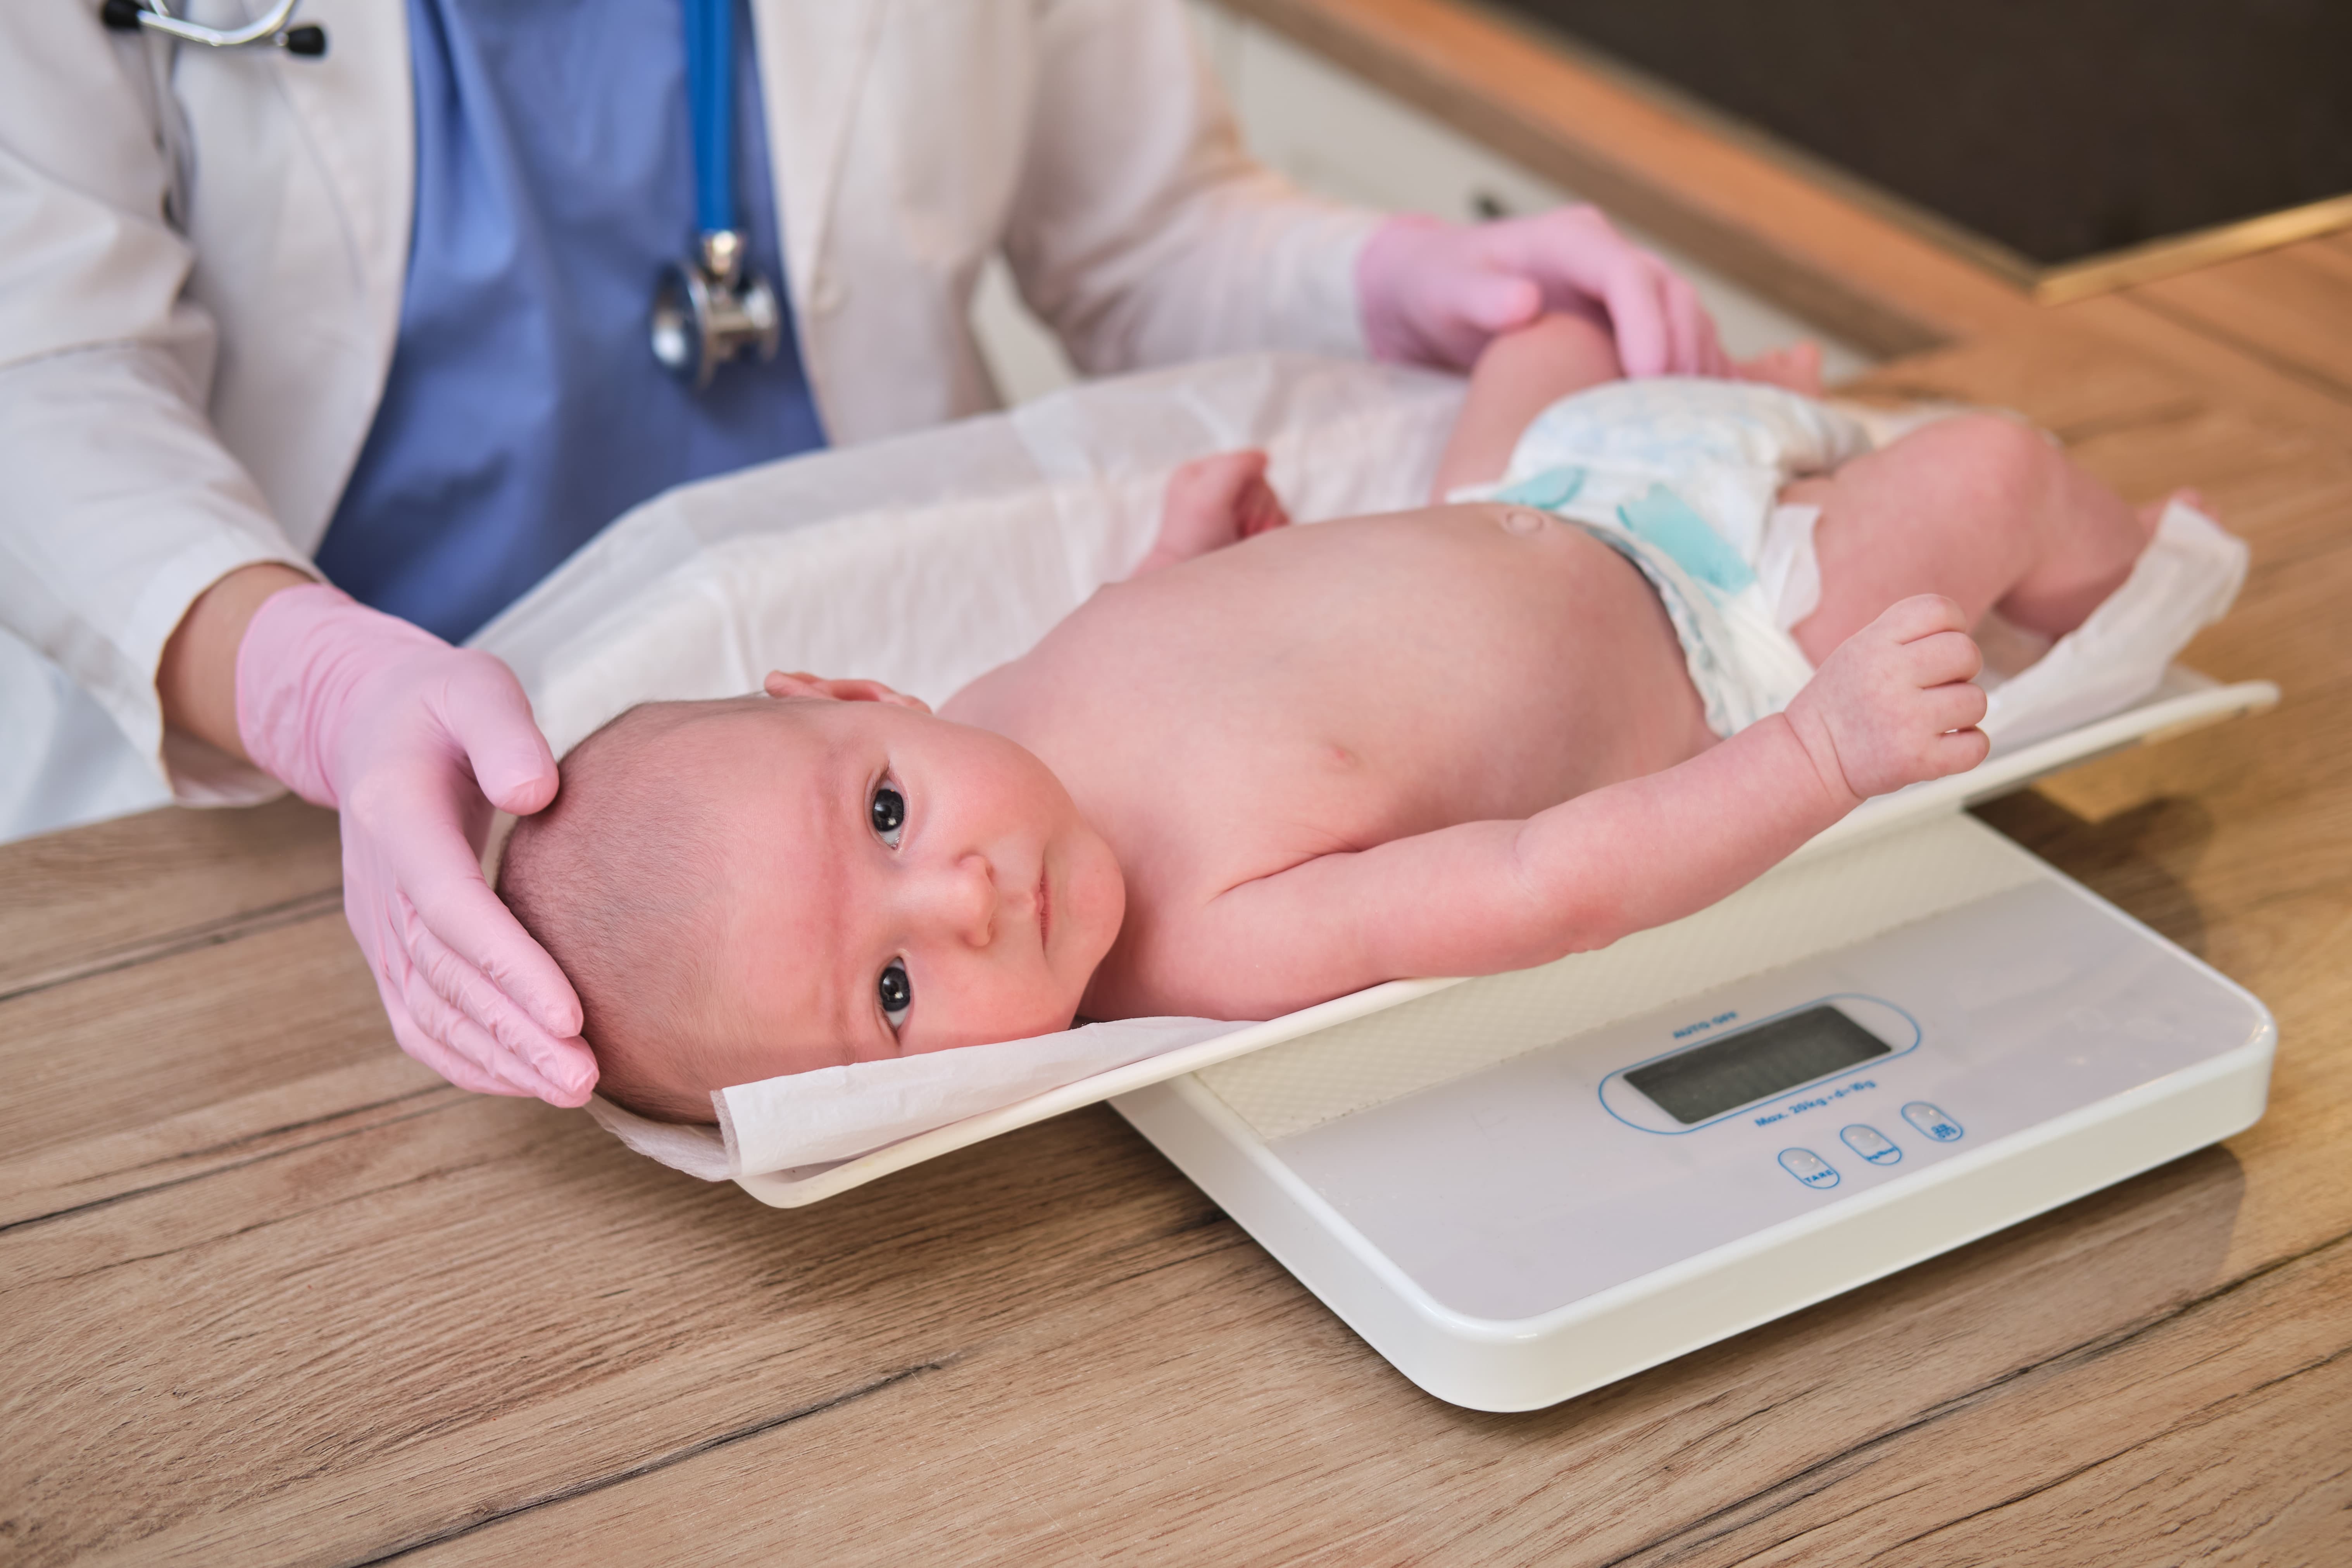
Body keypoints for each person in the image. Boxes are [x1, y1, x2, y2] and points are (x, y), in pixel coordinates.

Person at [0, 1, 1733, 1108]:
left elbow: (1142, 229)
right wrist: (310, 683)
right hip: (260, 809)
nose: (963, 896)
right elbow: (39, 371)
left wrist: (1378, 282)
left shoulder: (1005, 786)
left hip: (895, 681)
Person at [493, 312, 2186, 1123]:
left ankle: (1732, 405)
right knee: (1990, 471)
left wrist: (1188, 566)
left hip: (1531, 494)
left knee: (1546, 336)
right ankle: (2125, 609)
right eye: (891, 988)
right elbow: (1545, 878)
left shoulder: (1000, 708)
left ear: (858, 694)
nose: (964, 894)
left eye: (881, 818)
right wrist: (1819, 747)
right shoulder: (1211, 939)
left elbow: (1187, 655)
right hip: (1717, 629)